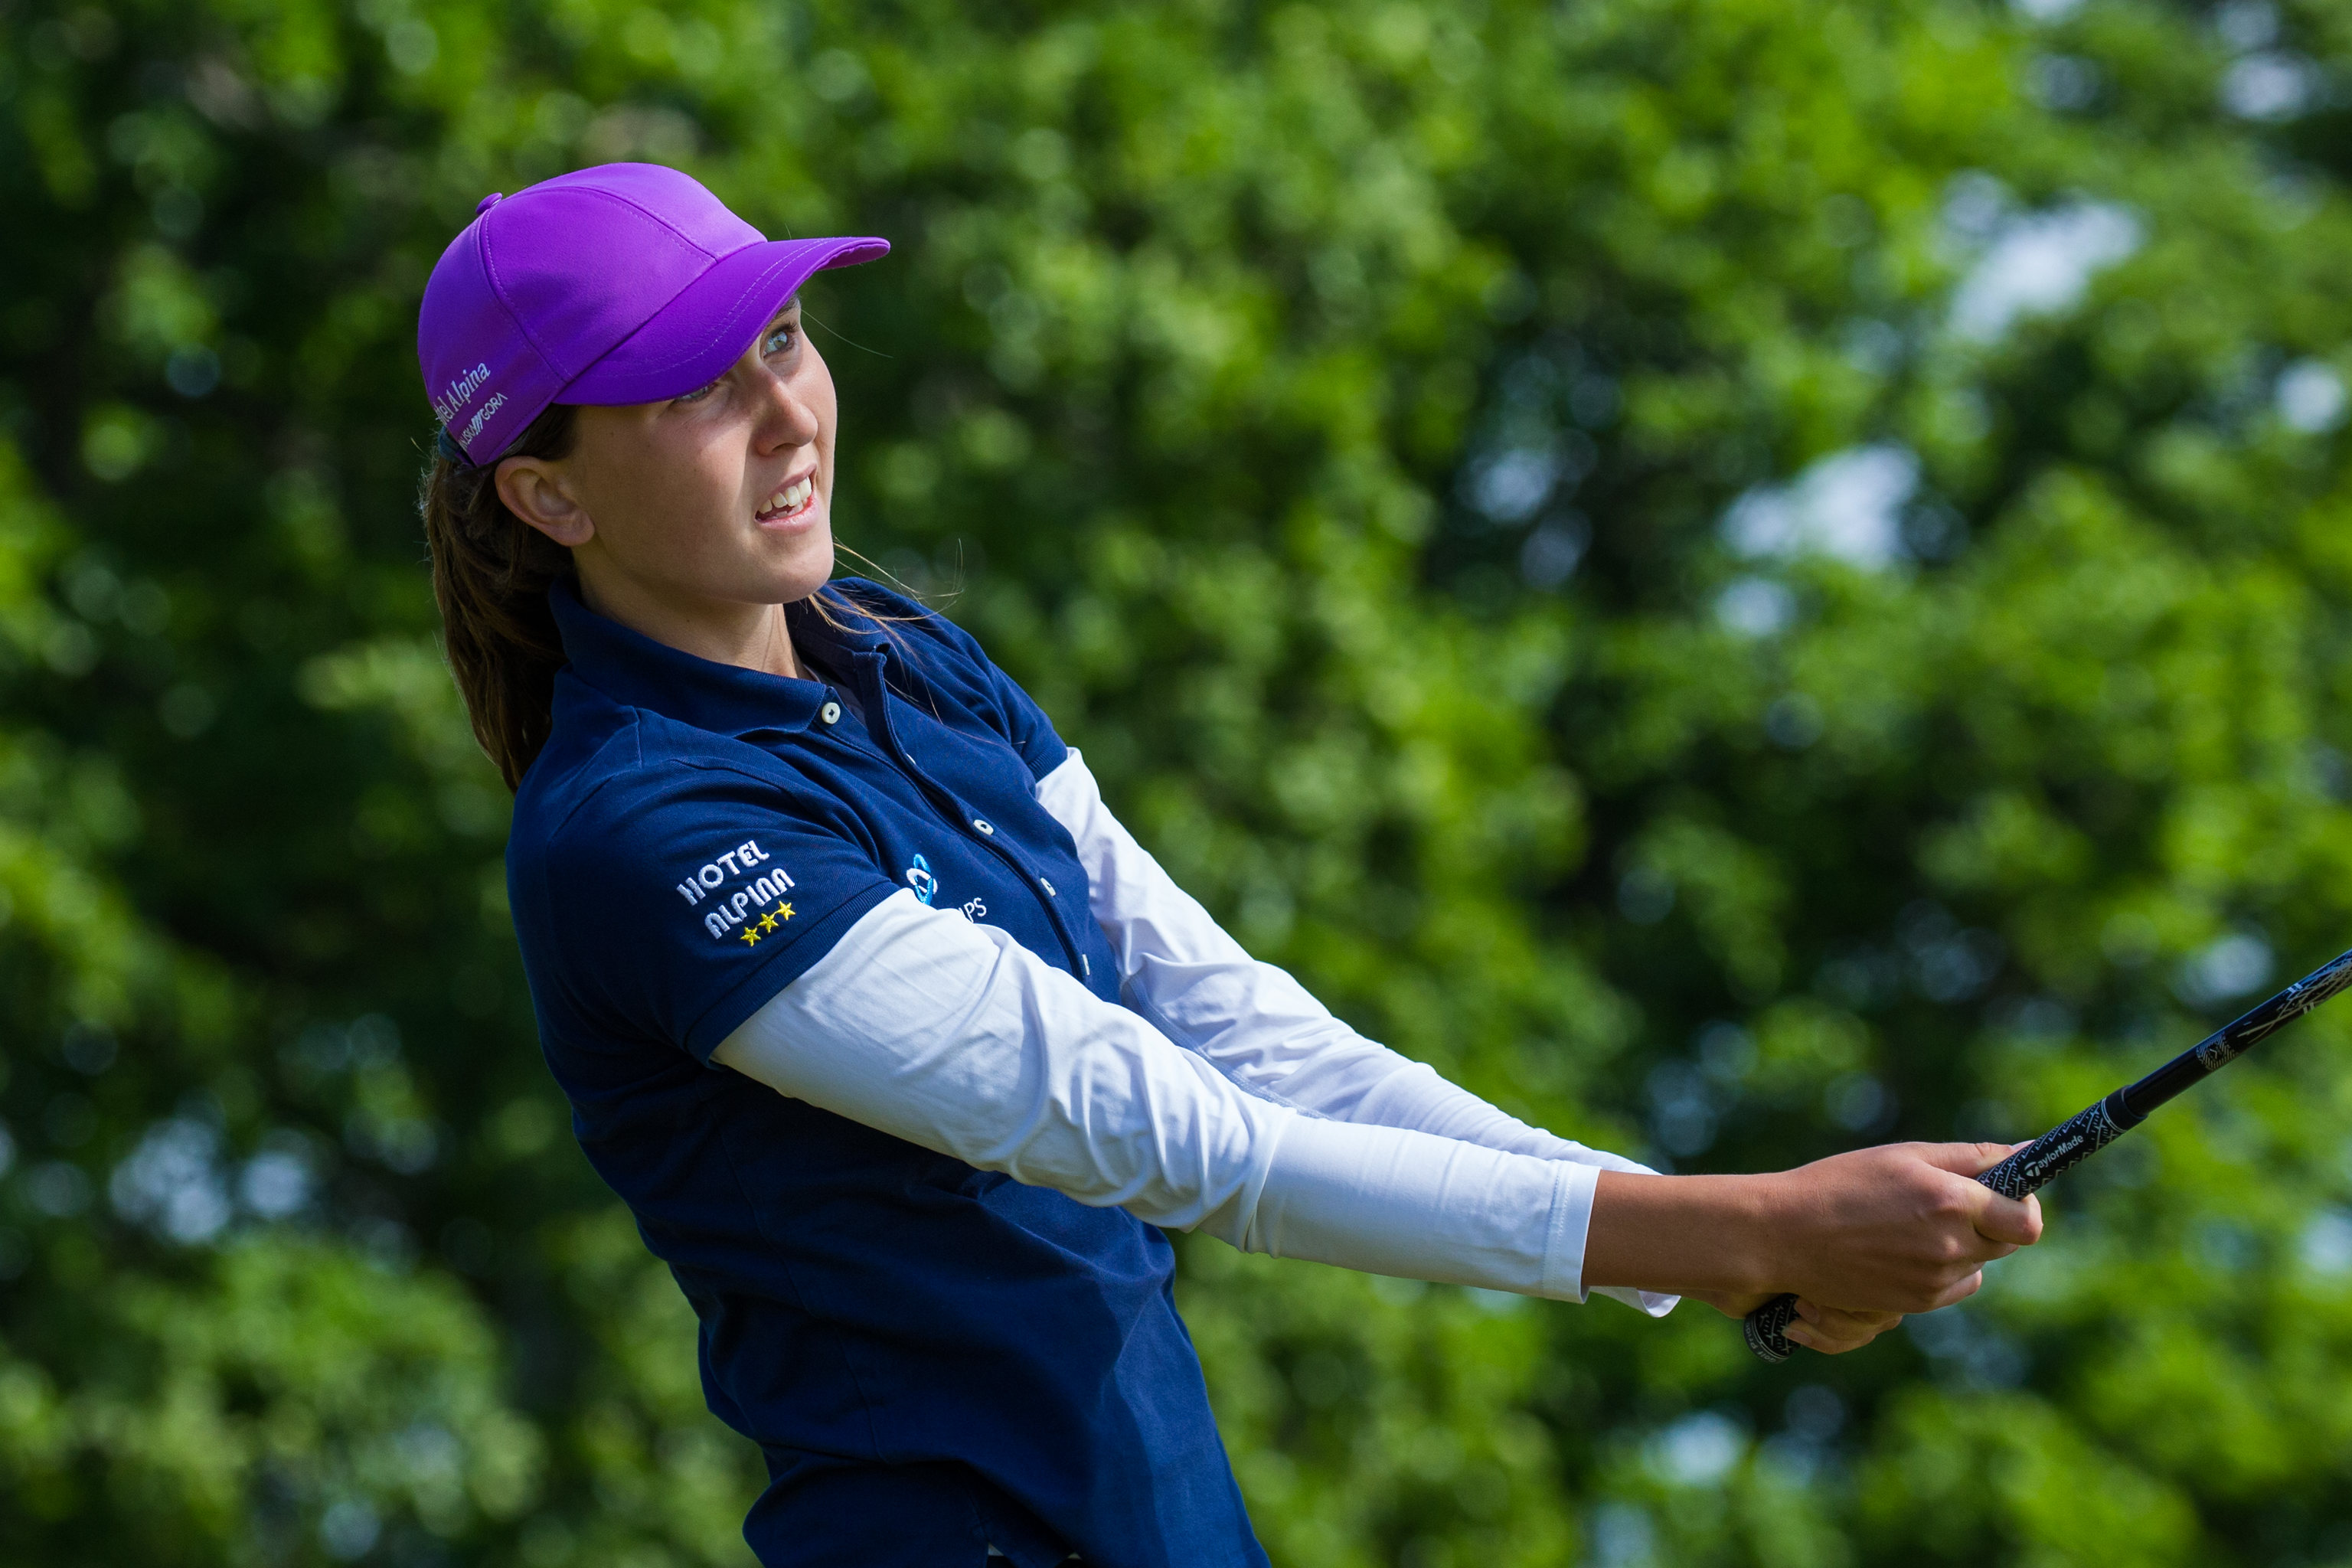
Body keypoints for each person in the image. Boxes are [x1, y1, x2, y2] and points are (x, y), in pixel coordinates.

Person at [415, 163, 2043, 1568]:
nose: (787, 412)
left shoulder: (908, 656)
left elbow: (1248, 1033)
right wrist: (1749, 1233)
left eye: (783, 339)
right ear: (549, 493)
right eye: (695, 389)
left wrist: (1719, 1251)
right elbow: (1193, 1143)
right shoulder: (642, 831)